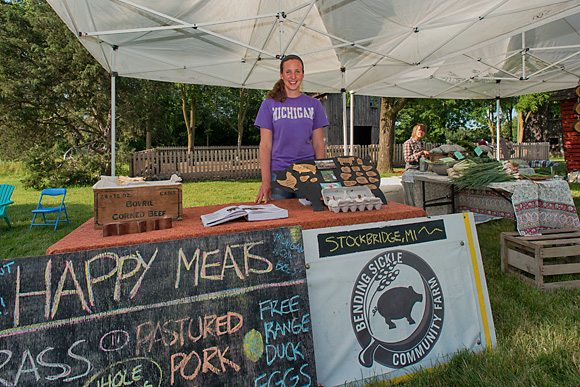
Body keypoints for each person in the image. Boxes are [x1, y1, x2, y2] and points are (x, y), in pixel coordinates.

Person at [254, 54, 329, 203]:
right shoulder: (269, 105)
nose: (293, 76)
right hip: (279, 175)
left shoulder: (314, 105)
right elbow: (265, 145)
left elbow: (319, 144)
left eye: (297, 71)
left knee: (307, 220)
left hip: (308, 174)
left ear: (302, 74)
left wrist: (320, 176)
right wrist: (266, 181)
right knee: (282, 222)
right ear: (281, 75)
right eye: (288, 72)